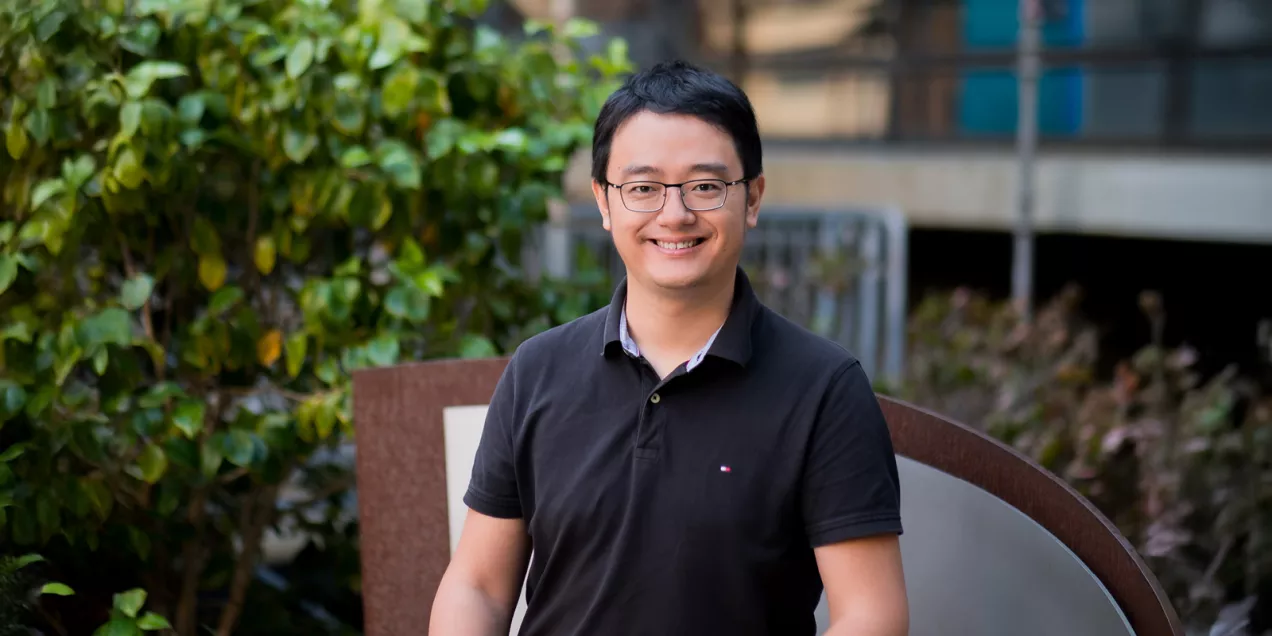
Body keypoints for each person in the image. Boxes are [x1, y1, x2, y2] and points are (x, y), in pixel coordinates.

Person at [430, 60, 908, 636]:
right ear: (604, 203)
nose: (674, 214)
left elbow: (871, 615)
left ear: (752, 198)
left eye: (706, 186)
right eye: (643, 188)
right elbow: (477, 586)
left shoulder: (824, 389)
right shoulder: (537, 370)